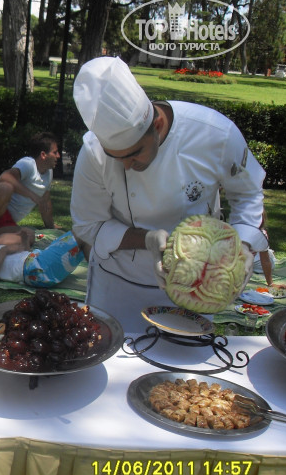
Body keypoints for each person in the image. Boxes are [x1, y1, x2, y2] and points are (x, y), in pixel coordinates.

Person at [70, 56, 268, 332]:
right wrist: (146, 239)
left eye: (134, 153)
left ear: (158, 125)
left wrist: (244, 245)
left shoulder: (215, 134)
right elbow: (88, 226)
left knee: (186, 359)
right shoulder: (93, 152)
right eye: (116, 157)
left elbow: (247, 193)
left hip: (197, 287)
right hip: (117, 286)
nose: (126, 166)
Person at [0, 132, 62, 239]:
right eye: (55, 152)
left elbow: (45, 201)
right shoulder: (28, 164)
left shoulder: (49, 173)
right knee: (6, 187)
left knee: (28, 236)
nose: (58, 156)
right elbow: (4, 177)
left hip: (3, 222)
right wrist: (33, 196)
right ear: (43, 155)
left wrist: (51, 227)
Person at [0, 231, 84, 286]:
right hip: (38, 267)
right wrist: (3, 250)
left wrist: (24, 241)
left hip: (37, 268)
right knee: (82, 232)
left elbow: (20, 257)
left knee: (84, 238)